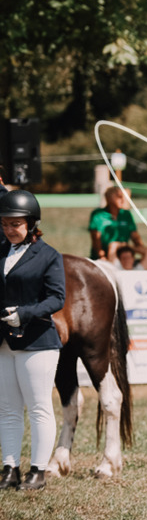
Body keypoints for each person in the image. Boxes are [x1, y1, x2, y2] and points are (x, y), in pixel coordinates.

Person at [0, 190, 65, 491]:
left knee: (39, 407)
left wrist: (23, 314)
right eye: (5, 224)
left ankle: (37, 471)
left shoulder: (48, 256)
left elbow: (56, 299)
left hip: (37, 341)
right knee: (7, 408)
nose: (9, 229)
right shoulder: (1, 252)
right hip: (3, 343)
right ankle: (10, 468)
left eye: (15, 224)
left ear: (31, 223)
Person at [89, 185, 147, 262]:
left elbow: (135, 236)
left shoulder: (126, 214)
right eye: (119, 197)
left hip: (124, 254)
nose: (122, 200)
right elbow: (95, 238)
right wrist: (101, 256)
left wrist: (142, 251)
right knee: (113, 246)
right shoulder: (98, 215)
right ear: (109, 199)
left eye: (123, 197)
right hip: (105, 255)